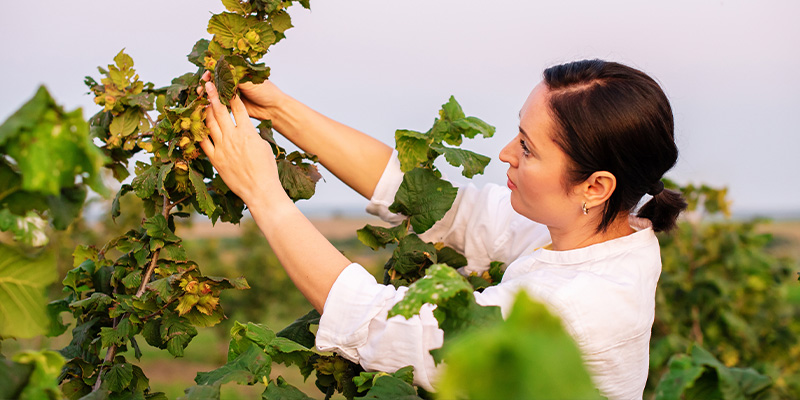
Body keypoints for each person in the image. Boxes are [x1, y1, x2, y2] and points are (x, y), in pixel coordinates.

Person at [199, 59, 687, 399]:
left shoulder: (577, 305)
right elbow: (439, 207)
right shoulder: (599, 234)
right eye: (519, 133)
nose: (506, 154)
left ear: (596, 186)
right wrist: (281, 110)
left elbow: (381, 326)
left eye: (529, 148)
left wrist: (263, 193)